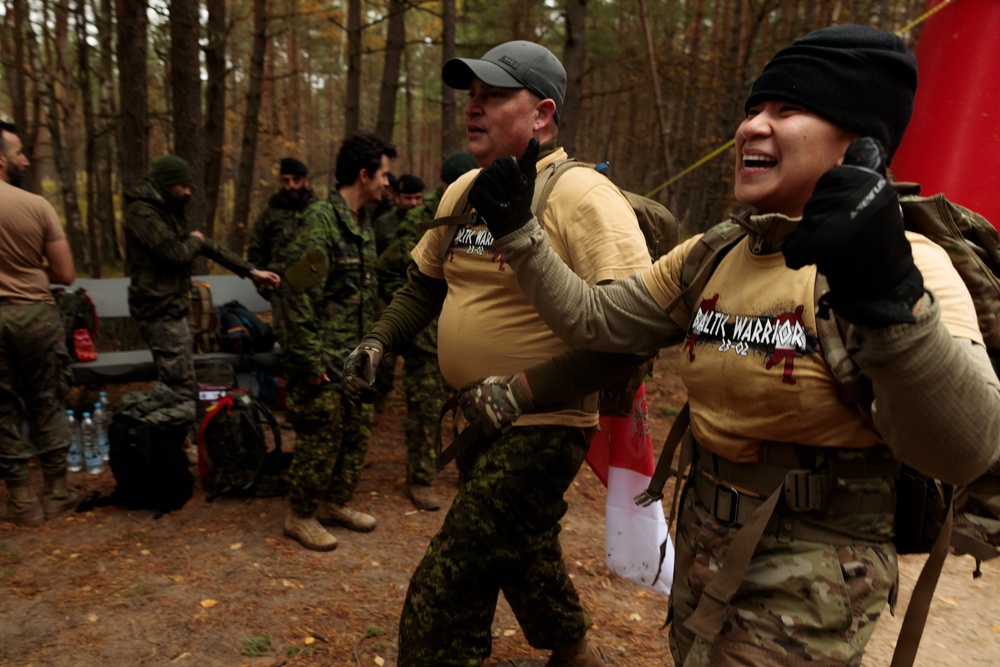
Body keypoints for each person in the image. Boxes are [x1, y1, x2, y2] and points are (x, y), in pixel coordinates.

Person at [458, 25, 1000, 667]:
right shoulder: (718, 251)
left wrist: (885, 296)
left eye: (786, 110)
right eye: (751, 110)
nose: (752, 128)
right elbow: (599, 321)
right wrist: (521, 233)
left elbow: (969, 447)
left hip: (815, 570)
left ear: (857, 142)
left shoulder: (911, 264)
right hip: (705, 547)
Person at [342, 41, 652, 666]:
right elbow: (425, 284)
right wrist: (379, 341)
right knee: (522, 548)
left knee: (451, 581)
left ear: (541, 114)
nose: (473, 107)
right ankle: (575, 652)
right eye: (472, 95)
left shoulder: (584, 196)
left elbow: (632, 330)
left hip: (544, 423)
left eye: (493, 96)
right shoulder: (461, 190)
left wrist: (522, 391)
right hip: (476, 416)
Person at [279, 131, 397, 552]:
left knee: (355, 434)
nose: (389, 182)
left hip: (355, 359)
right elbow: (295, 297)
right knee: (322, 437)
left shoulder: (362, 224)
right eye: (384, 174)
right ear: (364, 175)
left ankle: (332, 504)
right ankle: (301, 514)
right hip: (324, 362)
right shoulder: (320, 223)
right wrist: (311, 364)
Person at [123, 155, 280, 415]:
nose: (188, 192)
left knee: (180, 384)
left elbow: (207, 245)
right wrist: (195, 240)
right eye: (182, 185)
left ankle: (177, 443)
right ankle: (174, 444)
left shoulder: (167, 210)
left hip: (173, 309)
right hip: (158, 312)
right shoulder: (143, 213)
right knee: (180, 388)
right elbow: (176, 253)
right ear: (165, 184)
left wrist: (251, 271)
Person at [375, 152, 478, 512]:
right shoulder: (424, 219)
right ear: (444, 185)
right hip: (426, 337)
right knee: (425, 409)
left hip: (470, 329)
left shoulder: (486, 212)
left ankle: (469, 471)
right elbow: (407, 273)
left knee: (471, 406)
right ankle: (421, 478)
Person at [0, 120, 80, 526]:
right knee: (46, 399)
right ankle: (57, 493)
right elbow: (66, 275)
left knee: (2, 407)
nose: (26, 160)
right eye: (18, 153)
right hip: (34, 313)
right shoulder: (36, 206)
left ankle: (21, 502)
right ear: (1, 160)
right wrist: (30, 272)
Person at [247, 157, 318, 347]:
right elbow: (255, 252)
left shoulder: (319, 211)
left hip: (316, 294)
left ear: (306, 181)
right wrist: (265, 287)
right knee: (289, 348)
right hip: (281, 294)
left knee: (317, 348)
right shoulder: (270, 215)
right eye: (286, 181)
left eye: (296, 180)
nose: (291, 186)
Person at [371, 173, 427, 409]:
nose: (413, 203)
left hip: (422, 295)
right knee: (385, 354)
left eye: (418, 198)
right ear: (397, 197)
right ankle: (379, 396)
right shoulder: (383, 224)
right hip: (388, 295)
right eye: (408, 198)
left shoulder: (430, 220)